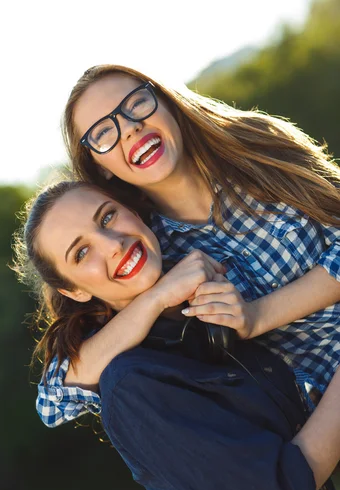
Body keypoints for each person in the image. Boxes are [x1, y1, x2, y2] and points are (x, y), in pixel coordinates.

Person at [14, 181, 340, 490]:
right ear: (73, 290)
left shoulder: (204, 308)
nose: (111, 245)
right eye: (81, 253)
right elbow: (284, 487)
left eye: (107, 216)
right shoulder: (131, 384)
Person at [36, 63, 340, 421]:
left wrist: (258, 315)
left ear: (164, 100)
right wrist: (155, 297)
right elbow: (54, 401)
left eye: (135, 104)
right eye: (104, 132)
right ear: (99, 165)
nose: (131, 128)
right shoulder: (148, 257)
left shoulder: (256, 144)